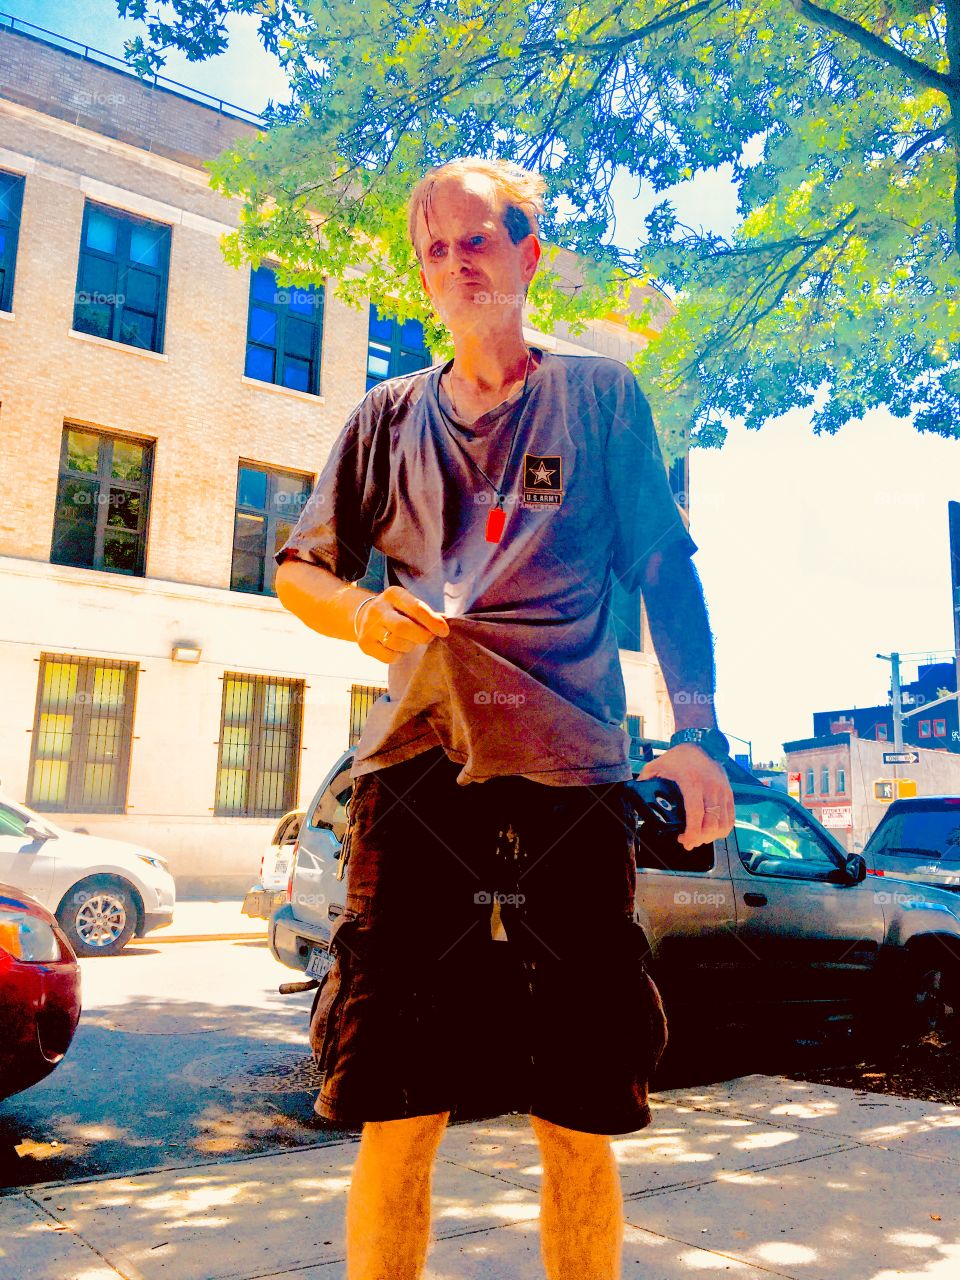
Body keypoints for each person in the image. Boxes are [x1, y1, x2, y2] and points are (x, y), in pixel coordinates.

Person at [274, 156, 735, 1280]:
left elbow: (664, 565)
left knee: (579, 1110)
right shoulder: (384, 418)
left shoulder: (600, 398)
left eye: (475, 240)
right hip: (415, 776)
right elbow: (300, 567)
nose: (454, 263)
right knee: (396, 1104)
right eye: (433, 249)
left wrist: (698, 727)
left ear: (529, 254)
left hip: (571, 781)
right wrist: (355, 613)